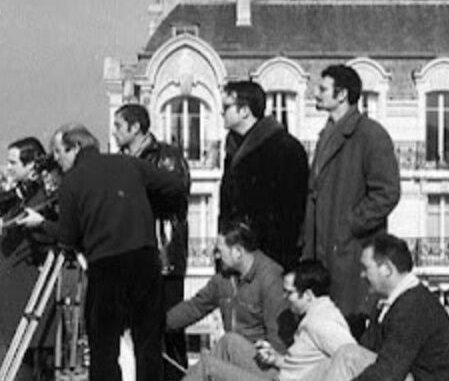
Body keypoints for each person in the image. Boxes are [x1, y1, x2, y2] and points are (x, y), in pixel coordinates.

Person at [18, 123, 187, 381]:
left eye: (59, 152)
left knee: (104, 349)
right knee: (148, 345)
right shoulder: (129, 164)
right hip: (145, 260)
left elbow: (67, 239)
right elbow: (175, 185)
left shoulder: (72, 182)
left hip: (106, 267)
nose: (57, 160)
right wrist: (142, 208)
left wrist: (42, 223)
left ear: (75, 148)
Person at [302, 64, 400, 331]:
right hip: (325, 256)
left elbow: (388, 192)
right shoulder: (328, 134)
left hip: (351, 256)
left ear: (342, 94)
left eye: (323, 89)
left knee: (349, 331)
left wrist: (348, 225)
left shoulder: (371, 134)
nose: (316, 93)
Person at [112, 103, 191, 379]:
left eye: (119, 126)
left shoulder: (167, 156)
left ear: (135, 127)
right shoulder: (120, 160)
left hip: (162, 257)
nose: (114, 132)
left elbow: (175, 196)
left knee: (168, 332)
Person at [320, 233, 449, 381]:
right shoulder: (388, 304)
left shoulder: (414, 306)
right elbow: (368, 351)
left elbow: (388, 373)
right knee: (341, 358)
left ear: (387, 269)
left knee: (348, 357)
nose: (362, 275)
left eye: (366, 268)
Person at [181, 260, 357, 381]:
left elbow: (353, 360)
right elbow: (304, 365)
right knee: (230, 342)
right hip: (283, 374)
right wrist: (277, 359)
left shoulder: (324, 323)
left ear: (309, 295)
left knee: (208, 366)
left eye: (290, 293)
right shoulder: (314, 313)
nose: (285, 297)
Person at [220, 80, 308, 270]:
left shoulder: (285, 148)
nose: (221, 112)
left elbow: (291, 214)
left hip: (269, 259)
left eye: (226, 107)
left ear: (245, 111)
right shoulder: (233, 148)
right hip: (237, 255)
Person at [166, 219, 288, 354]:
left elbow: (277, 333)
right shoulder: (223, 279)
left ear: (238, 252)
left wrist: (275, 362)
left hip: (260, 358)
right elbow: (195, 307)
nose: (216, 256)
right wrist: (159, 324)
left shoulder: (270, 279)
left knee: (219, 352)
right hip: (232, 355)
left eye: (219, 251)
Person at [0, 136, 59, 370]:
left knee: (26, 368)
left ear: (31, 166)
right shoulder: (23, 197)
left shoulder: (40, 201)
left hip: (26, 298)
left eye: (13, 163)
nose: (8, 168)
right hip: (18, 298)